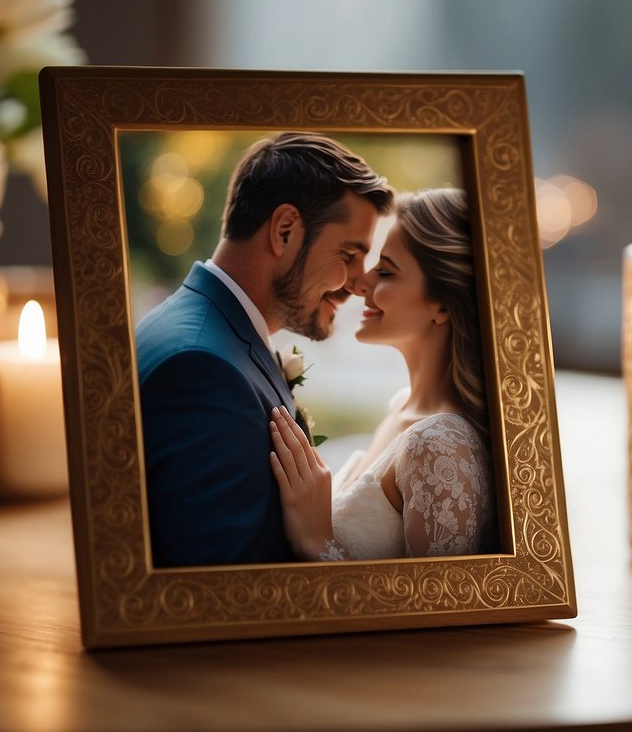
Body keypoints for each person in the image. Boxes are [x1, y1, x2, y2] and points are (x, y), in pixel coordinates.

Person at [136, 132, 393, 567]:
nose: (356, 283)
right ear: (285, 231)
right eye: (349, 255)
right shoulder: (201, 370)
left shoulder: (208, 333)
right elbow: (227, 591)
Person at [267, 188, 494, 561]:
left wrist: (316, 541)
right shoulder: (401, 406)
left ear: (442, 305)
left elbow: (436, 607)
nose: (359, 284)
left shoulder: (440, 442)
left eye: (385, 271)